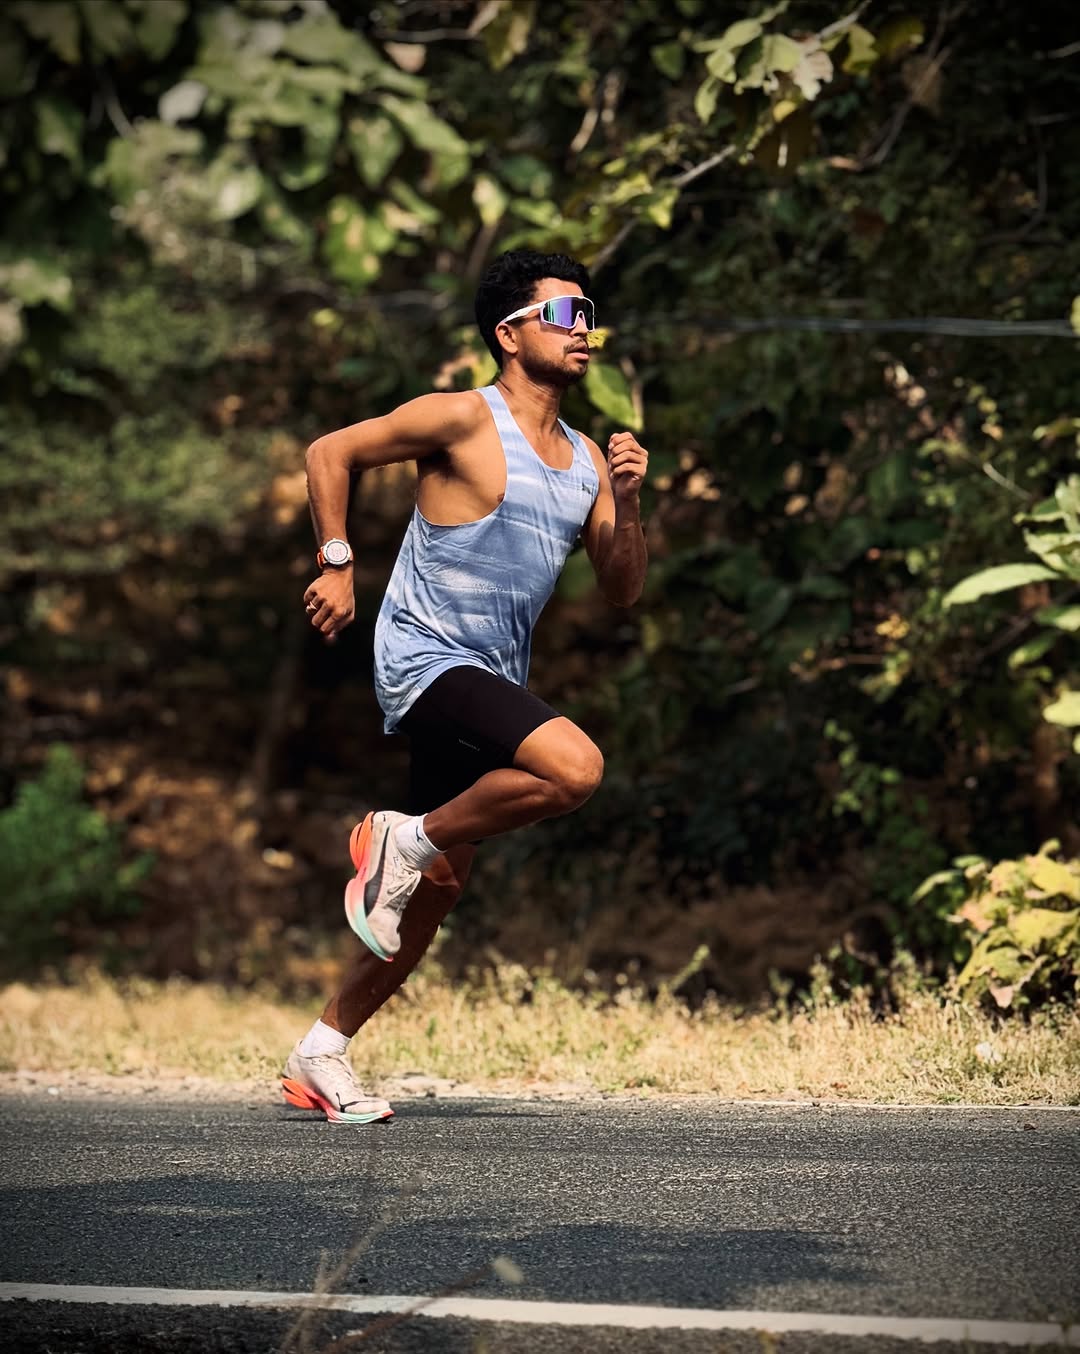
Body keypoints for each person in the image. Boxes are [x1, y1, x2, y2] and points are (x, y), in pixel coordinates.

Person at [280, 249, 649, 1124]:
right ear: (509, 334)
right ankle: (401, 838)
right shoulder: (461, 417)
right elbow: (331, 452)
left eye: (589, 314)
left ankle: (320, 1051)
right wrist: (337, 561)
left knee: (435, 892)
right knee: (576, 768)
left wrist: (630, 501)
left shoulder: (587, 460)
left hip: (491, 678)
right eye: (565, 314)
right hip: (426, 658)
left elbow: (622, 587)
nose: (585, 330)